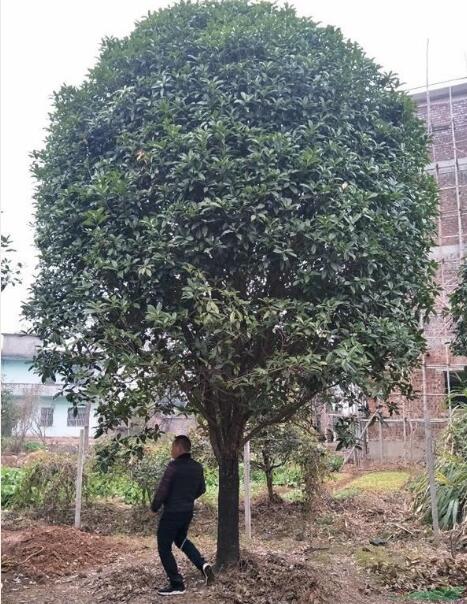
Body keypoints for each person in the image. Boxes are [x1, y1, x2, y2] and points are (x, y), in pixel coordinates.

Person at [151, 434, 214, 596]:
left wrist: (154, 507)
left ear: (179, 448)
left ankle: (177, 584)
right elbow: (202, 489)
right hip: (187, 511)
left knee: (164, 546)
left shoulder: (173, 467)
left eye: (173, 447)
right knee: (181, 539)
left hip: (172, 513)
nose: (171, 450)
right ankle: (202, 565)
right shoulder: (197, 467)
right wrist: (187, 498)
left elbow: (163, 490)